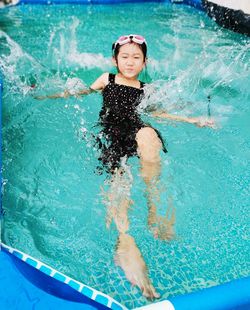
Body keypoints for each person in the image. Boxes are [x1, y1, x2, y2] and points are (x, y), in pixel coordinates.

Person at [35, 34, 215, 299]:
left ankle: (154, 207)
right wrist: (48, 95)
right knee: (121, 176)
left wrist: (193, 120)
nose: (130, 63)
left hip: (135, 129)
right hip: (113, 134)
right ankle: (126, 240)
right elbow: (79, 92)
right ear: (115, 59)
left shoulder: (146, 88)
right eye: (125, 57)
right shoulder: (106, 79)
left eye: (136, 58)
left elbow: (158, 113)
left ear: (144, 62)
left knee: (149, 137)